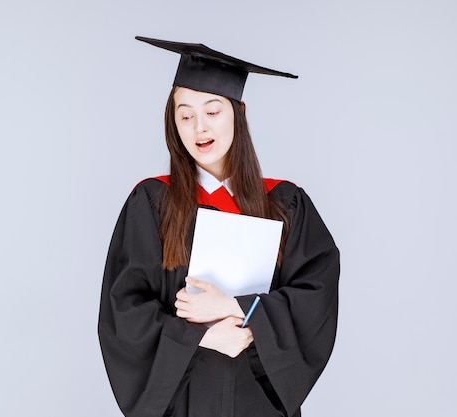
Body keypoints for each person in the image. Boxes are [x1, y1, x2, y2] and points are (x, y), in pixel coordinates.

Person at [98, 36, 339, 417]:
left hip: (258, 404)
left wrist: (240, 310)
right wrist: (203, 336)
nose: (199, 128)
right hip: (185, 402)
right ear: (172, 121)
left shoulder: (284, 203)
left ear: (238, 113)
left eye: (212, 111)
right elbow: (123, 313)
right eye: (185, 115)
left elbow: (316, 296)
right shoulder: (152, 203)